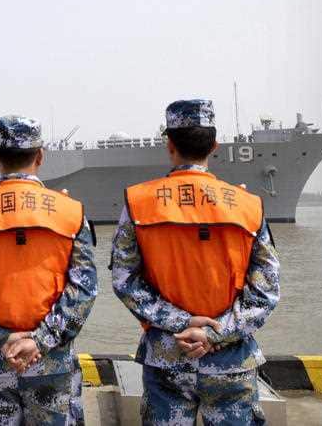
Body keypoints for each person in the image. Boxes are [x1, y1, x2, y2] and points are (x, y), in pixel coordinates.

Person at [111, 99, 280, 425]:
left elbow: (124, 280)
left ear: (169, 145)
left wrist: (180, 322)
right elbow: (267, 290)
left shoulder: (138, 203)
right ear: (215, 145)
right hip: (231, 359)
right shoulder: (249, 206)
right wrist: (215, 333)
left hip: (167, 356)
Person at [0, 115, 98, 425]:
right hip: (52, 362)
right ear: (40, 156)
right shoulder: (71, 212)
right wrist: (40, 340)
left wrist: (1, 339)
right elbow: (84, 289)